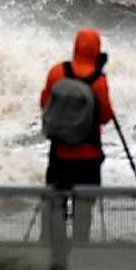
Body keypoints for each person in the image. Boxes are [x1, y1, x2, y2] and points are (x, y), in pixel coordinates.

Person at [39, 28, 115, 242]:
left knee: (54, 207)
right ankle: (81, 246)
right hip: (88, 158)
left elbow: (44, 104)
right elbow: (105, 116)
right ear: (96, 49)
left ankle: (53, 250)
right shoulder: (97, 80)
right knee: (83, 212)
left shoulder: (57, 72)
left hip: (59, 155)